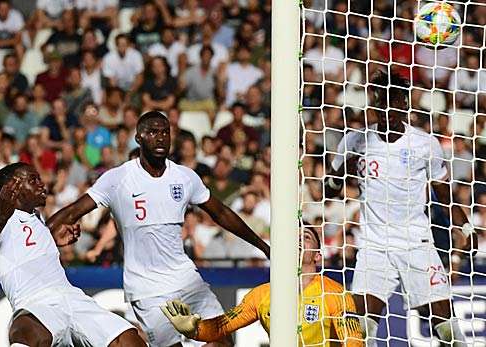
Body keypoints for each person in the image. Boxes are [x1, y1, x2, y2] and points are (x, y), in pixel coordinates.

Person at [47, 111, 270, 347]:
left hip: (186, 279)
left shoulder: (184, 177)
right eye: (153, 132)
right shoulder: (118, 178)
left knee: (222, 340)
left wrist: (263, 246)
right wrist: (44, 235)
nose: (161, 137)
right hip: (147, 289)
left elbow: (221, 213)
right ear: (139, 138)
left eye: (165, 132)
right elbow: (71, 212)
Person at [325, 70, 477, 346]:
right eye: (381, 103)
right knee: (359, 329)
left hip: (415, 243)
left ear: (404, 104)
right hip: (374, 245)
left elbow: (443, 193)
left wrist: (465, 226)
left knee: (446, 327)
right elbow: (329, 188)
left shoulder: (424, 144)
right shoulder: (355, 141)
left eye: (393, 103)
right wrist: (346, 168)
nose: (386, 111)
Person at [0, 162, 147, 347]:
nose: (41, 184)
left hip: (72, 297)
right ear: (14, 186)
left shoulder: (36, 216)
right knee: (26, 332)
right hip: (36, 303)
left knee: (129, 340)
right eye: (33, 179)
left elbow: (28, 244)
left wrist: (51, 239)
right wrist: (2, 215)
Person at [160, 226, 364, 346]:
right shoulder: (262, 295)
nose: (298, 240)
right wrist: (194, 330)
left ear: (318, 255)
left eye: (306, 237)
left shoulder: (335, 293)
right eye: (294, 236)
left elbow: (354, 342)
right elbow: (220, 328)